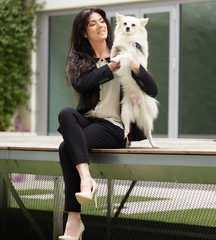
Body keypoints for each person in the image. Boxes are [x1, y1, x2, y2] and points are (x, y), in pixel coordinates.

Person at [57, 7, 158, 240]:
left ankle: (74, 221)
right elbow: (81, 85)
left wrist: (134, 67)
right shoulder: (80, 59)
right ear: (84, 32)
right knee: (65, 113)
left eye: (102, 21)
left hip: (114, 126)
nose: (101, 26)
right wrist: (111, 66)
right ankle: (86, 179)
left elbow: (150, 90)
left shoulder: (125, 47)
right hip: (88, 120)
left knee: (65, 148)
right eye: (93, 24)